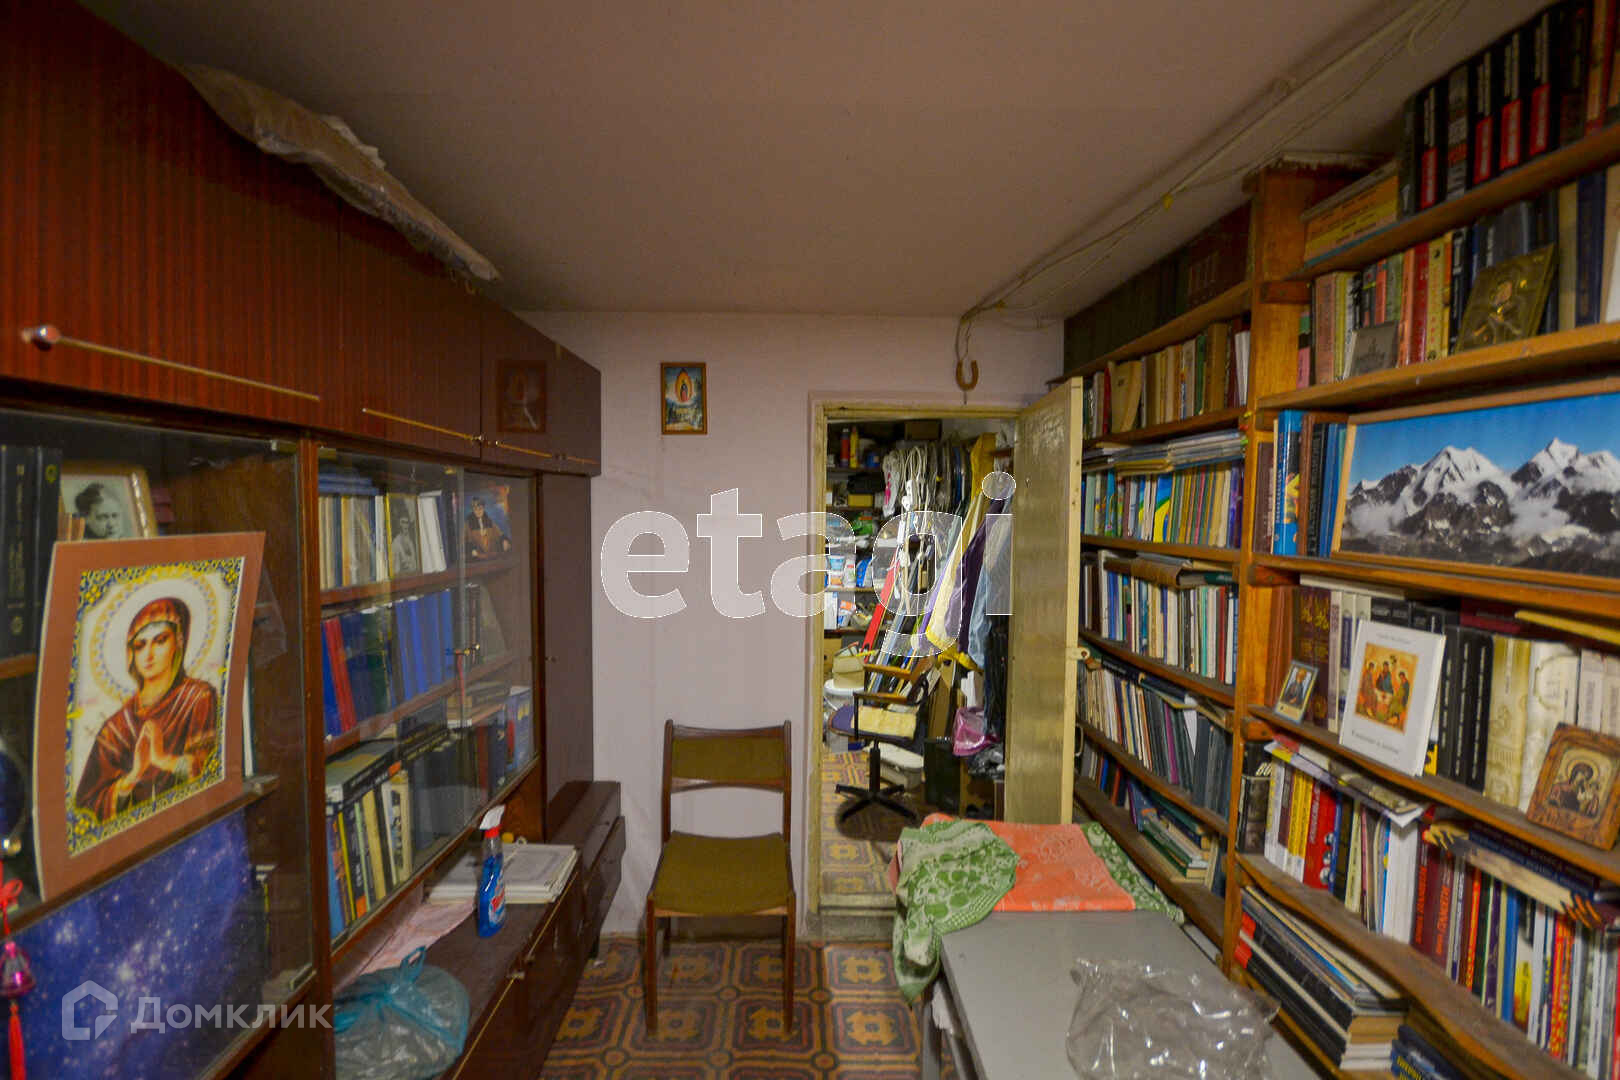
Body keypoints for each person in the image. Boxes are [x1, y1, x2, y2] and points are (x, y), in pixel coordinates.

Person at [74, 597, 219, 821]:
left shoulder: (197, 698)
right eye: (140, 645)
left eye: (160, 641)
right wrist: (133, 776)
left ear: (178, 642)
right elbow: (86, 808)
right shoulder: (116, 727)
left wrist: (164, 760)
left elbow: (212, 772)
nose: (148, 655)